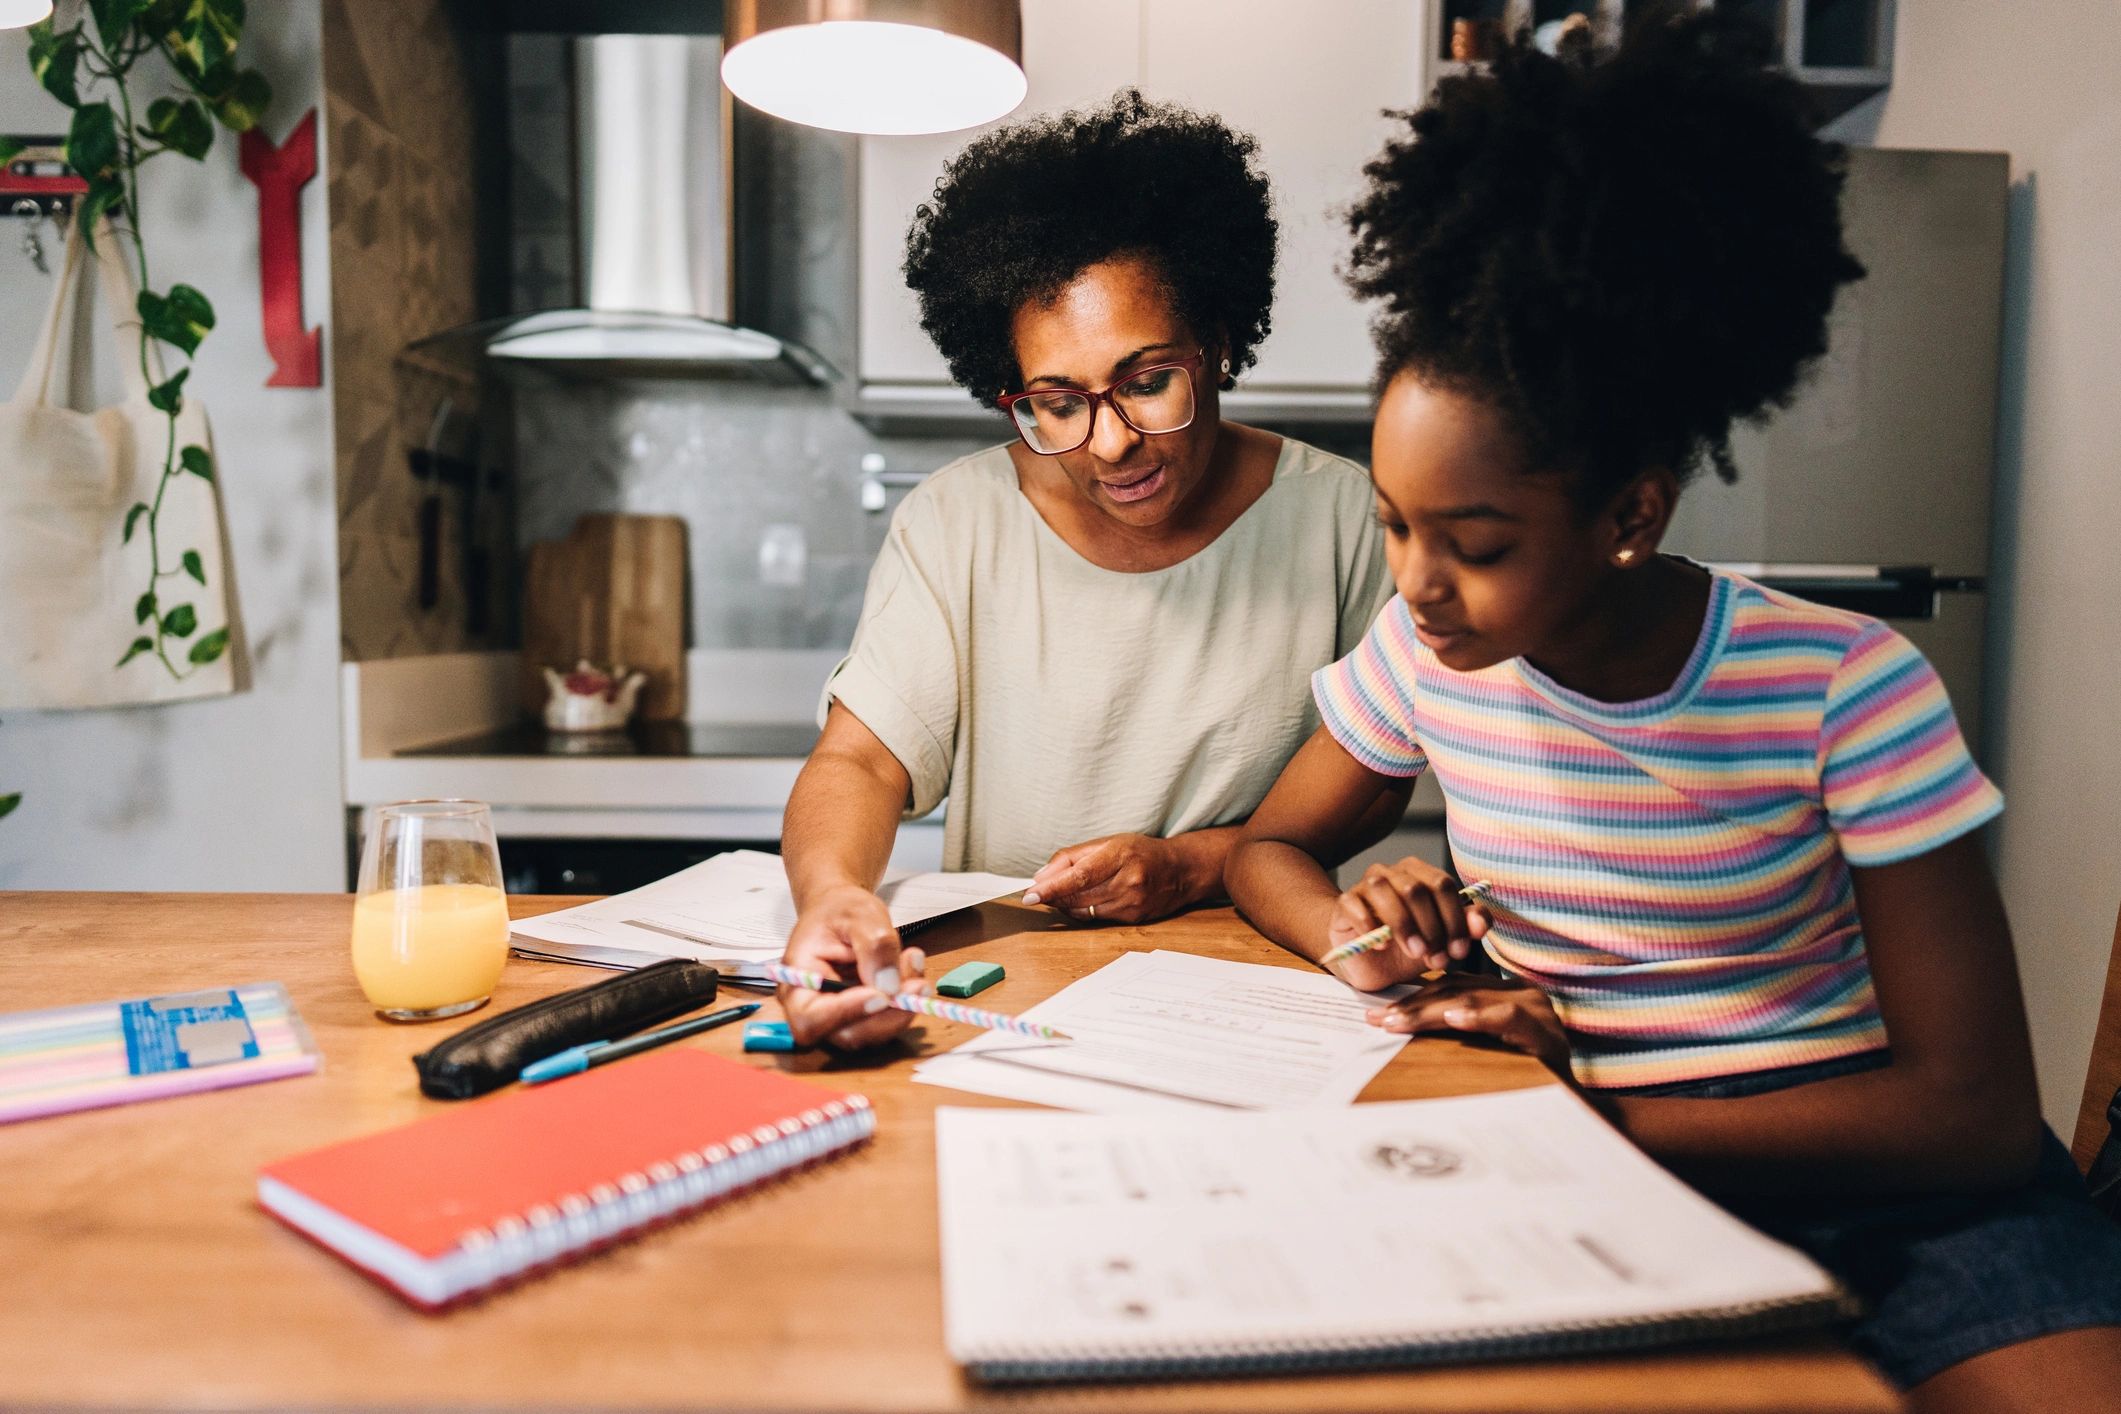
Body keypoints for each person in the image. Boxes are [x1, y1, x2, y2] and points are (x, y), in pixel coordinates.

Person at [1224, 12, 2121, 1410]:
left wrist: (1593, 1115)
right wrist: (1364, 936)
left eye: (1473, 540)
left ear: (1629, 514)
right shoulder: (1420, 651)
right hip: (1597, 1164)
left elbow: (1974, 1116)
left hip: (1890, 1184)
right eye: (1396, 525)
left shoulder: (1843, 687)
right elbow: (1263, 850)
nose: (1419, 584)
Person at [780, 92, 1398, 1050]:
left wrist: (1187, 867)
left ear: (1219, 342)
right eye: (1057, 401)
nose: (1112, 444)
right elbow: (859, 760)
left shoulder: (1345, 518)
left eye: (1147, 381)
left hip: (1256, 995)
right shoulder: (957, 520)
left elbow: (1373, 784)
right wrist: (833, 895)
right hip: (1004, 988)